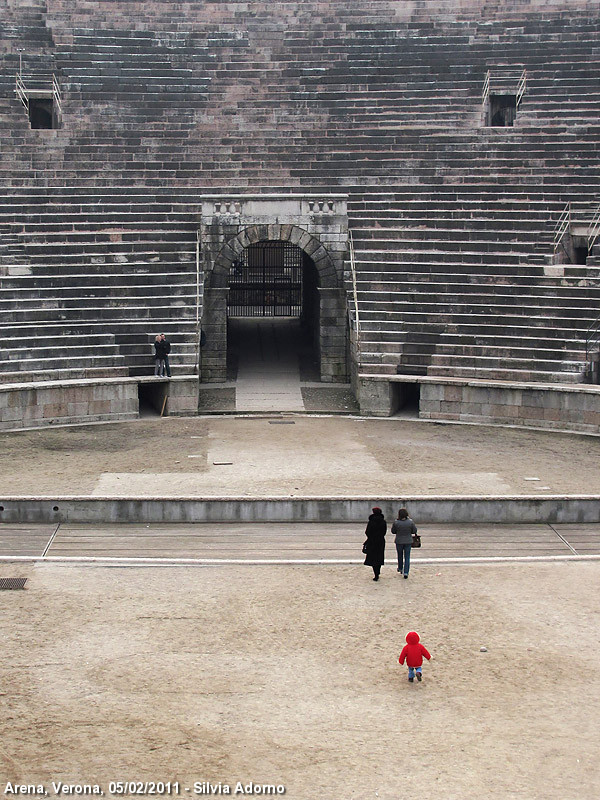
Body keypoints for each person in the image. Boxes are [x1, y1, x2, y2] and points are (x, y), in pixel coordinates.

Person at [391, 507, 417, 579]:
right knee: (407, 557)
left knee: (400, 555)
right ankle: (406, 572)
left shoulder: (396, 522)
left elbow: (393, 531)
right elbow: (414, 531)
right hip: (408, 541)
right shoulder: (410, 522)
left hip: (399, 541)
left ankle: (400, 568)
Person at [363, 506, 386, 581]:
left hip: (372, 541)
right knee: (379, 557)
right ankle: (378, 572)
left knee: (373, 558)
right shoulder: (383, 521)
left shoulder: (371, 521)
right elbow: (384, 532)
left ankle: (376, 574)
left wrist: (370, 537)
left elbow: (367, 532)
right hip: (380, 541)